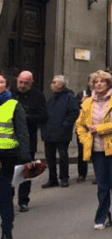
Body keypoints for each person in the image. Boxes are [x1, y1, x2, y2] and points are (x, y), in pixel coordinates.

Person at [75, 70, 112, 229]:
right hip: (97, 149)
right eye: (96, 82)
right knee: (102, 185)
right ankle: (103, 216)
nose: (98, 84)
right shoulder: (87, 103)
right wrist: (85, 139)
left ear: (109, 84)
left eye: (102, 81)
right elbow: (80, 124)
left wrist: (99, 128)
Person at [0, 73, 37, 239]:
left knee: (4, 194)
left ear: (7, 85)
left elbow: (22, 133)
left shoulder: (14, 105)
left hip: (7, 157)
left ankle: (7, 229)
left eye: (0, 82)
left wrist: (26, 158)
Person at [11, 71, 46, 212]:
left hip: (29, 139)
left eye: (26, 83)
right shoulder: (10, 95)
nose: (22, 85)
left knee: (26, 170)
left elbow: (44, 117)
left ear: (31, 83)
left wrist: (27, 118)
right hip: (9, 139)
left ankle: (23, 201)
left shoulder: (38, 96)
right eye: (20, 82)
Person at [41, 75, 79, 189]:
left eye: (54, 82)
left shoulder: (69, 97)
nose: (51, 84)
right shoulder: (51, 98)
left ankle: (64, 177)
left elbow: (74, 113)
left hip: (62, 133)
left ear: (61, 85)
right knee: (50, 157)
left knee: (63, 156)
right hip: (49, 132)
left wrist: (65, 125)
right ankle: (52, 178)